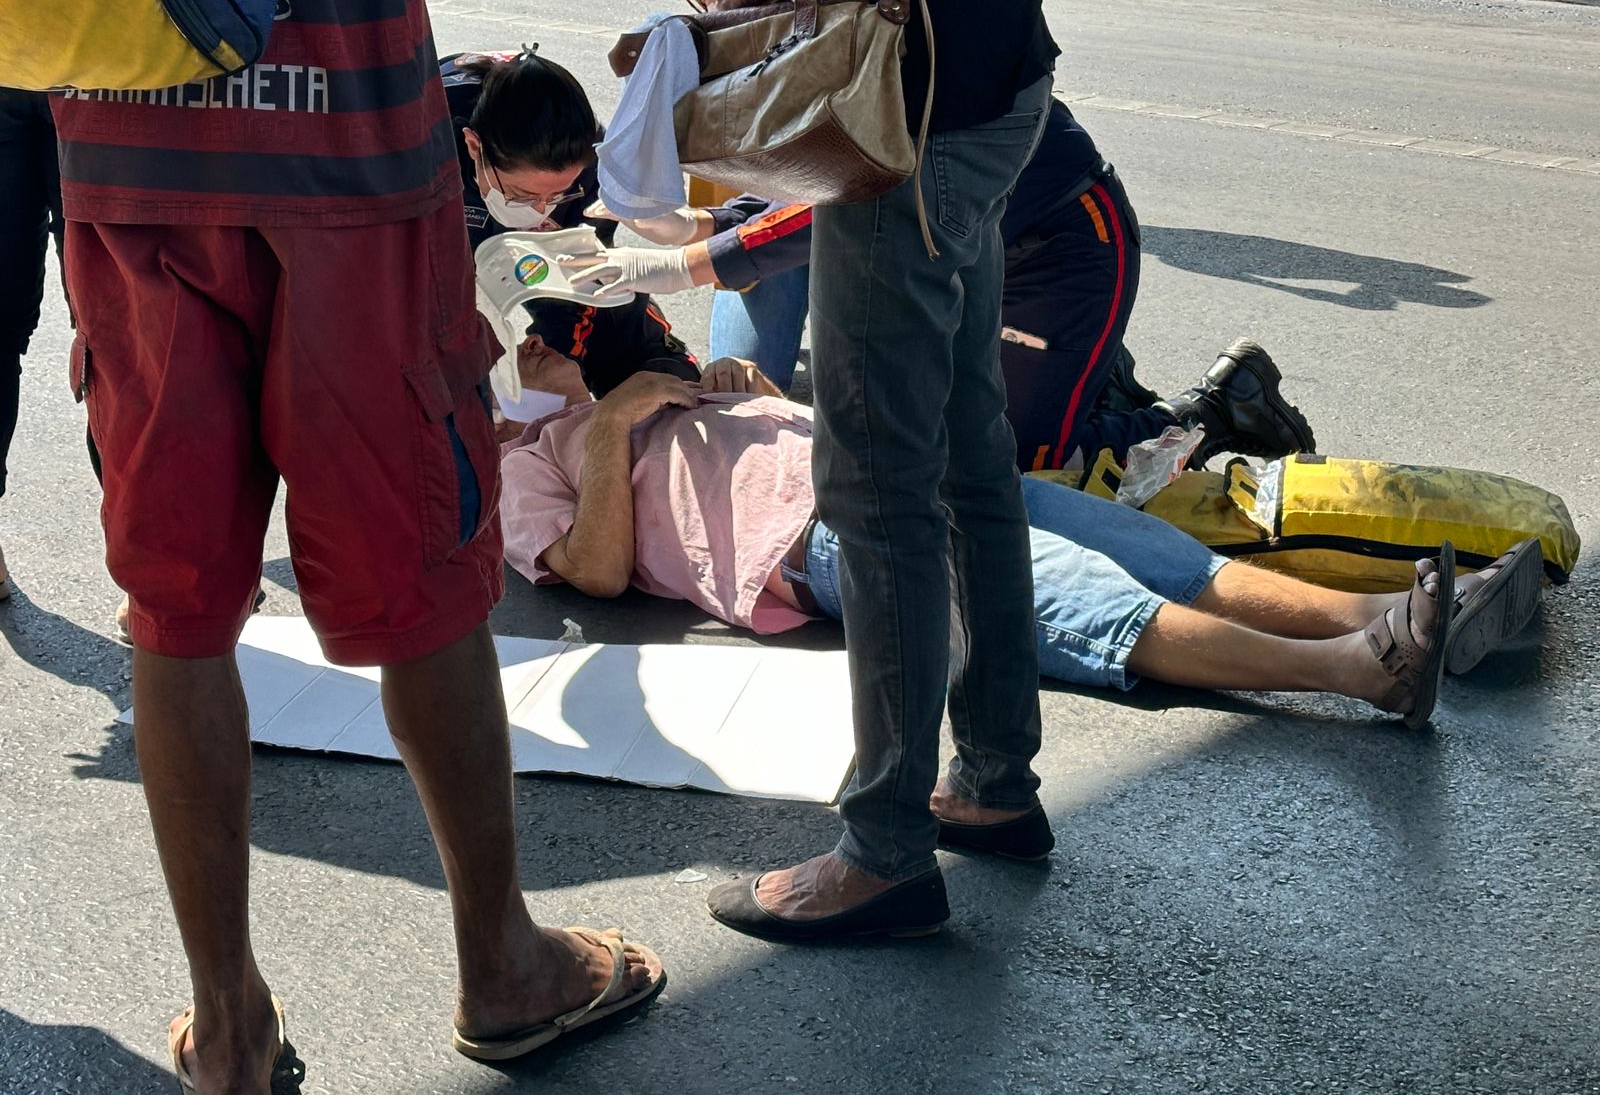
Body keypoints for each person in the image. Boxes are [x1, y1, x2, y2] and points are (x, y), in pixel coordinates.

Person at [49, 0, 663, 1089]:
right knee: (420, 581)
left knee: (176, 610)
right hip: (344, 152)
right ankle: (505, 968)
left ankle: (227, 1027)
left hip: (127, 140)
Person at [498, 344, 1542, 765]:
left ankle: (1384, 623)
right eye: (525, 343)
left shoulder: (620, 402)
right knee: (1068, 594)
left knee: (1143, 546)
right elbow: (593, 571)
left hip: (892, 462)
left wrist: (737, 386)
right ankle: (1356, 673)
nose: (548, 347)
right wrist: (605, 426)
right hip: (817, 533)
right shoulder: (522, 466)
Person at [575, 0, 1314, 474]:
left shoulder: (858, 44)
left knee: (1020, 464)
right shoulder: (812, 44)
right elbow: (798, 188)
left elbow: (844, 197)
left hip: (1065, 251)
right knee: (960, 443)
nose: (710, 17)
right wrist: (700, 230)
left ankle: (1211, 408)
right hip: (981, 246)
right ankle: (1093, 379)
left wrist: (679, 263)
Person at [671, 0, 1062, 941]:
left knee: (877, 485)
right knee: (966, 460)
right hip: (969, 95)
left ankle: (883, 849)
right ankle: (989, 778)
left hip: (909, 122)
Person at [442, 47, 699, 397]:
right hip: (436, 205)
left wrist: (545, 387)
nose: (540, 211)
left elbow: (579, 291)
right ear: (474, 146)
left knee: (603, 298)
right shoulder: (421, 141)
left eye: (556, 196)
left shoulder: (594, 169)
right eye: (523, 196)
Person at [0, 88, 66, 600]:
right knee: (123, 329)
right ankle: (164, 569)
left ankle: (165, 565)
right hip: (108, 65)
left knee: (123, 329)